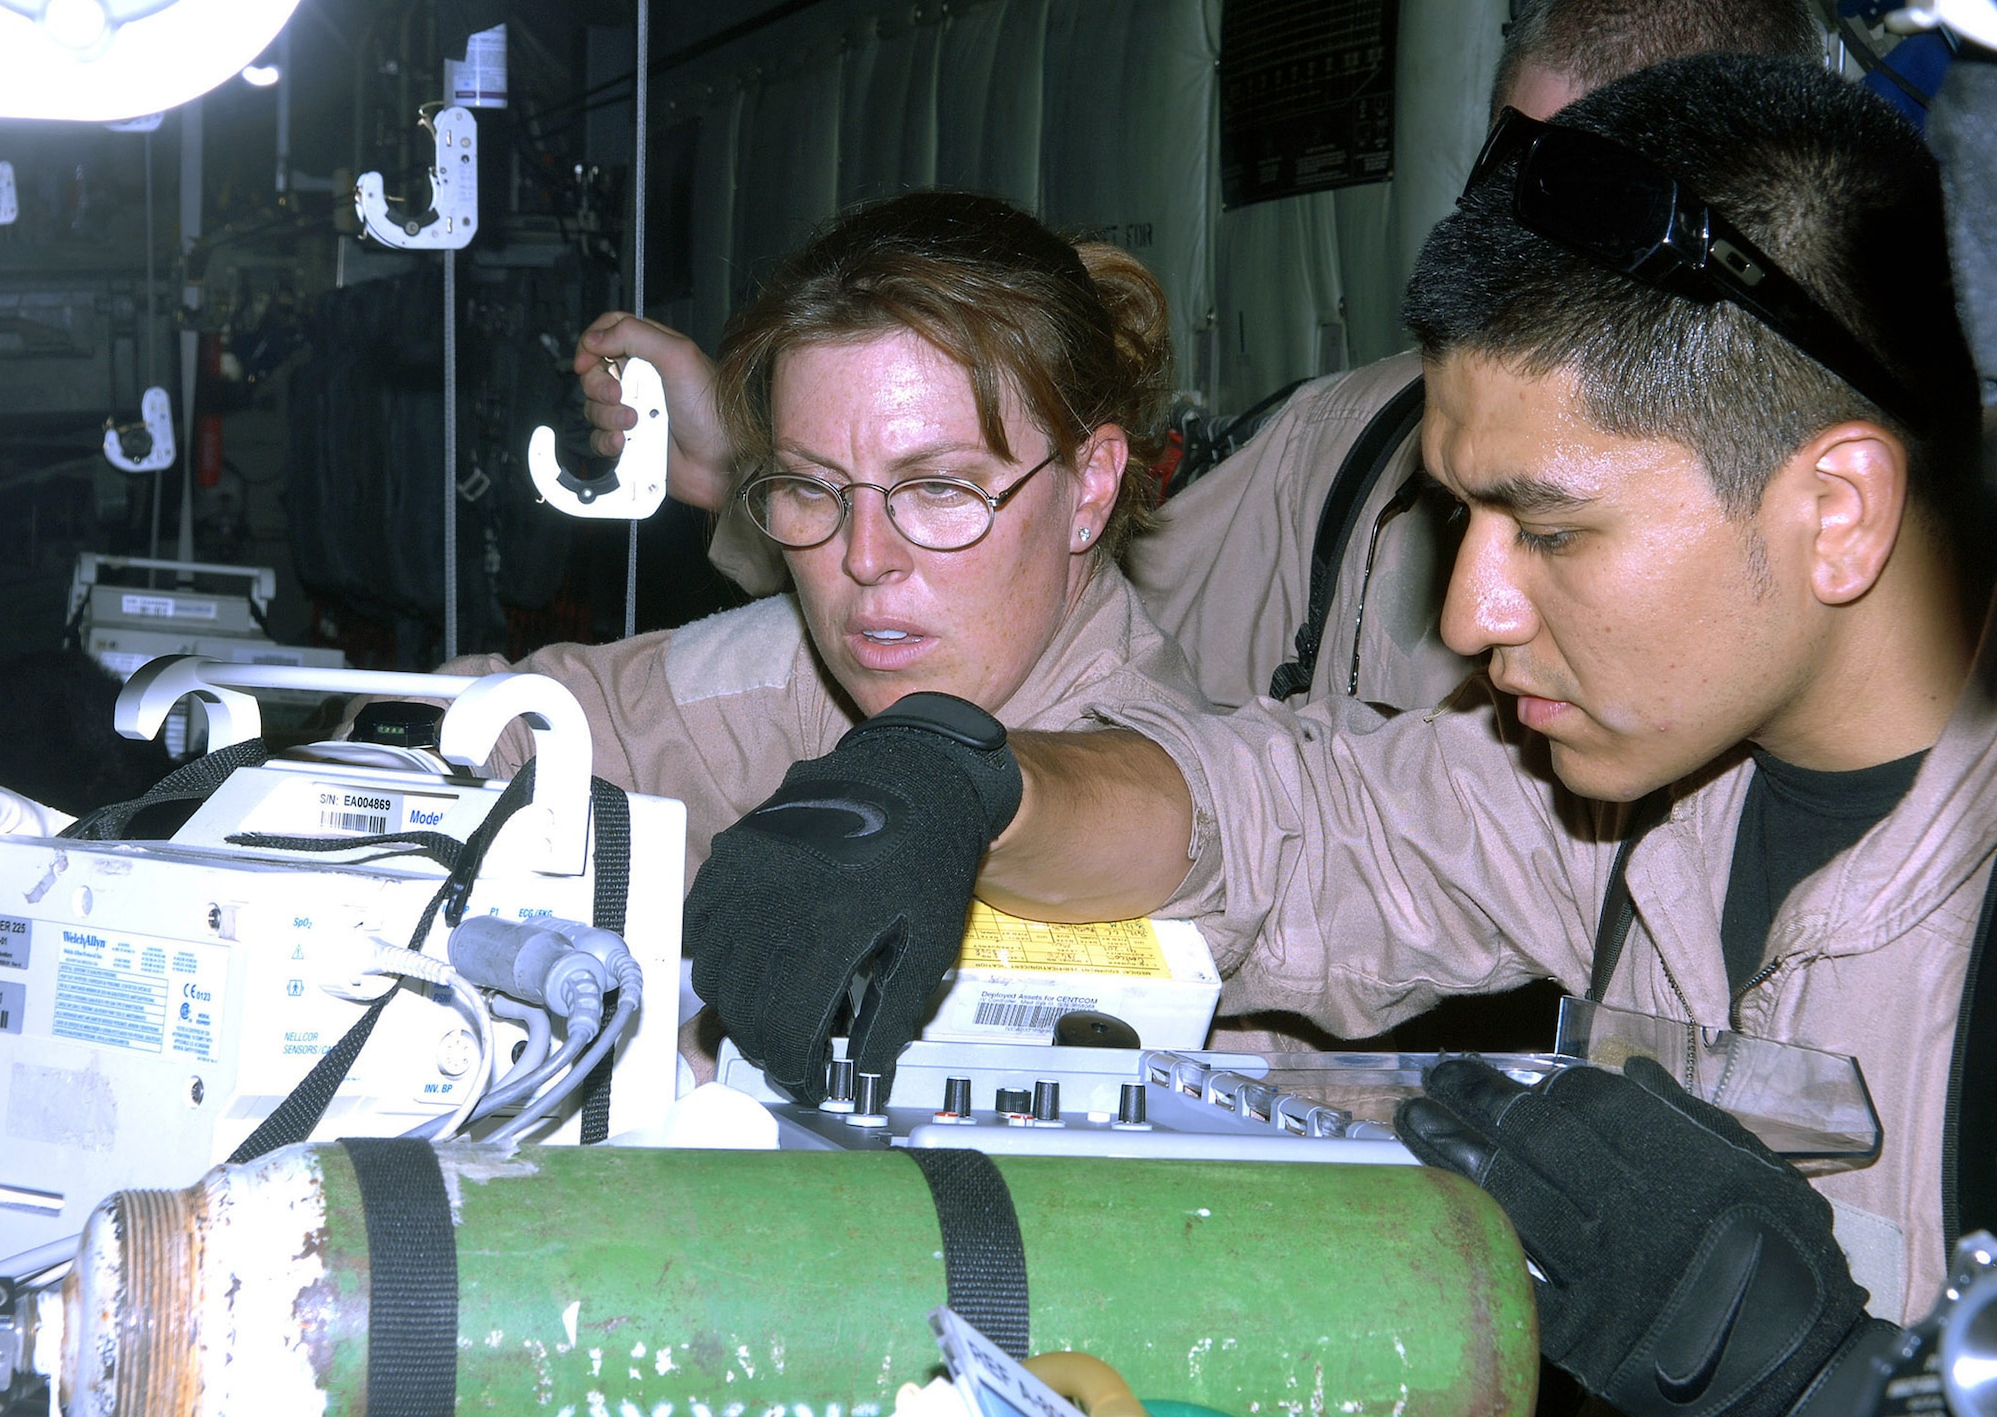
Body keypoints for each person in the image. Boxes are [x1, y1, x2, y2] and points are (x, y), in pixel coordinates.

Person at [682, 53, 1997, 1416]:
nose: (1475, 609)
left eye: (1546, 529)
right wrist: (966, 780)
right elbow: (1297, 819)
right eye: (1461, 517)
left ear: (1835, 512)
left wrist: (1834, 1381)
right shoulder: (1631, 792)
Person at [583, 0, 1825, 718]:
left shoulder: (1863, 568)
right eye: (1522, 179)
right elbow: (1035, 593)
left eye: (1621, 212)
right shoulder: (1346, 447)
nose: (1542, 257)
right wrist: (741, 474)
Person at [441, 189, 1205, 891]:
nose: (864, 559)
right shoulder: (823, 670)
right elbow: (496, 725)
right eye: (812, 487)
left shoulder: (1159, 812)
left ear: (1093, 485)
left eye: (940, 488)